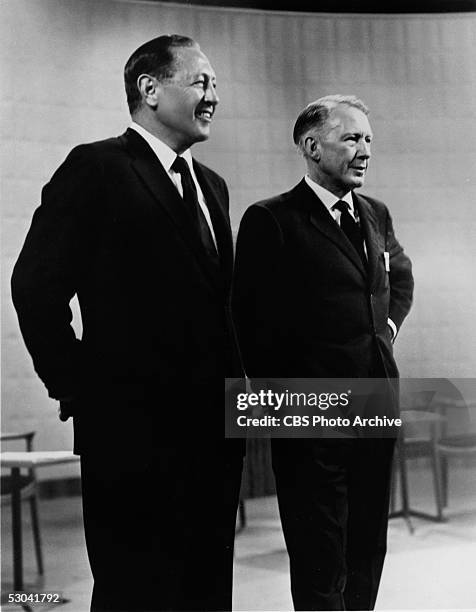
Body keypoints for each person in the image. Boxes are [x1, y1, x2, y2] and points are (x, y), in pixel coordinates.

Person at [11, 35, 244, 612]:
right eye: (201, 82)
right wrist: (80, 390)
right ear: (149, 89)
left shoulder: (213, 187)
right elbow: (35, 288)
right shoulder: (97, 167)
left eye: (215, 84)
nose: (214, 96)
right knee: (135, 591)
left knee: (206, 589)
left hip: (213, 436)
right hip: (130, 436)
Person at [233, 95, 414, 610]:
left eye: (368, 140)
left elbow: (398, 278)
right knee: (319, 552)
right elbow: (249, 322)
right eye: (351, 138)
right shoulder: (271, 220)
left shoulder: (375, 213)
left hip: (375, 403)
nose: (365, 151)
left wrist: (387, 329)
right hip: (310, 416)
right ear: (311, 146)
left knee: (367, 547)